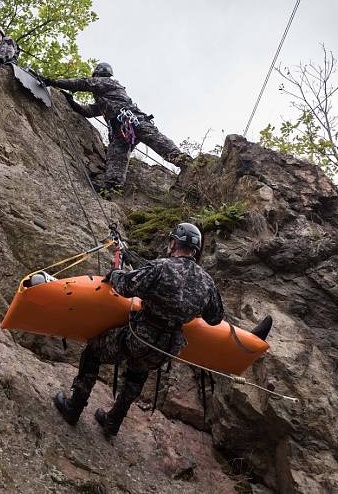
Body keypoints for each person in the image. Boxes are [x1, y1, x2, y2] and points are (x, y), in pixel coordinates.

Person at [53, 223, 224, 437]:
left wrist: (115, 273)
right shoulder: (207, 283)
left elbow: (125, 287)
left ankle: (73, 408)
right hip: (167, 347)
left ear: (173, 243)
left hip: (140, 336)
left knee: (93, 352)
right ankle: (112, 423)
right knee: (138, 372)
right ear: (195, 250)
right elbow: (215, 318)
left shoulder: (161, 267)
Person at [41, 62, 192, 197]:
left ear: (98, 74)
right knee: (117, 153)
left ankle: (184, 161)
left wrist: (53, 82)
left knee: (156, 141)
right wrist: (71, 102)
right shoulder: (105, 99)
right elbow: (88, 111)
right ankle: (112, 186)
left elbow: (83, 83)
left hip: (134, 120)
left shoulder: (108, 82)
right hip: (121, 130)